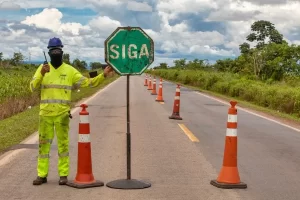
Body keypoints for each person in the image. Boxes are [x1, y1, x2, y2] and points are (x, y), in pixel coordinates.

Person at [29, 37, 113, 185]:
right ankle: (41, 175)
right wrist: (42, 73)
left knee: (63, 146)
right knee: (43, 145)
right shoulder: (43, 68)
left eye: (57, 51)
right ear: (48, 53)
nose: (55, 53)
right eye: (52, 51)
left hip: (62, 115)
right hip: (45, 114)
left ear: (62, 52)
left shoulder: (69, 70)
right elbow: (33, 87)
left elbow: (87, 82)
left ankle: (63, 175)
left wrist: (103, 75)